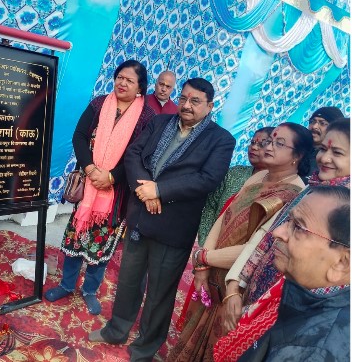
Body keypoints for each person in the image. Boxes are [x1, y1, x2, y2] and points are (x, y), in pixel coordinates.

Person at [88, 78, 236, 361]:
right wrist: (146, 191)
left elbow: (207, 179)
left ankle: (145, 348)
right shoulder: (160, 122)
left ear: (210, 106)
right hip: (141, 217)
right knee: (128, 280)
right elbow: (133, 154)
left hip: (173, 228)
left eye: (195, 101)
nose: (187, 105)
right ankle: (116, 330)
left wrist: (160, 190)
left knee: (160, 292)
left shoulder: (221, 139)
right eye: (184, 98)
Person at [167, 122, 312, 362]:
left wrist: (204, 257)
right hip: (212, 271)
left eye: (279, 143)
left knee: (216, 346)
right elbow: (225, 216)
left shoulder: (293, 195)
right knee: (193, 331)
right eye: (270, 140)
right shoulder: (260, 175)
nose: (268, 147)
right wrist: (203, 264)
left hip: (237, 283)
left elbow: (257, 249)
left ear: (298, 155)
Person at [215, 118, 350, 361]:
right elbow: (266, 237)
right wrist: (235, 286)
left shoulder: (343, 211)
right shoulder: (313, 190)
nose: (325, 158)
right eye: (323, 149)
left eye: (337, 152)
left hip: (296, 313)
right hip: (259, 294)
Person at [44, 59, 155, 315]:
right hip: (89, 185)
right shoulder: (99, 104)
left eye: (129, 80)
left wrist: (112, 177)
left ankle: (90, 290)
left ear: (140, 87)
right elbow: (79, 136)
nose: (122, 83)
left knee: (102, 242)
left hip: (117, 194)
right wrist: (91, 169)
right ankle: (66, 284)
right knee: (76, 235)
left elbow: (140, 155)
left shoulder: (147, 117)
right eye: (119, 77)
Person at [238, 186, 350, 361]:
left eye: (298, 227)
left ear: (342, 263)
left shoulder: (316, 351)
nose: (277, 232)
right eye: (288, 221)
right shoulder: (310, 305)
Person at [197, 126, 274, 246]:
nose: (254, 147)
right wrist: (204, 244)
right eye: (252, 142)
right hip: (209, 244)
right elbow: (211, 206)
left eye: (261, 144)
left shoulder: (276, 185)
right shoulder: (235, 172)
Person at [307, 106, 344, 174]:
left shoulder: (333, 159)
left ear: (334, 129)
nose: (314, 126)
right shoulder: (298, 146)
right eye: (312, 121)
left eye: (322, 123)